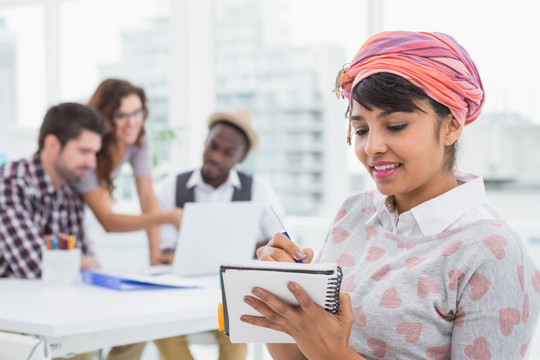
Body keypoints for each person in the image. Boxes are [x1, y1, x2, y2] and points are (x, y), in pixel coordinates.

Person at [244, 31, 540, 359]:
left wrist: (334, 354)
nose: (372, 147)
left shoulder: (493, 254)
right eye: (361, 130)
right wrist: (284, 290)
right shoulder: (353, 213)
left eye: (396, 126)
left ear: (452, 126)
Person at [153, 108, 286, 360]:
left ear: (242, 156)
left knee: (236, 333)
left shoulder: (257, 188)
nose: (215, 156)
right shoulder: (173, 187)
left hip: (230, 297)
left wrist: (254, 248)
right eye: (212, 146)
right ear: (205, 141)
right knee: (161, 330)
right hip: (182, 295)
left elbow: (280, 239)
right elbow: (164, 250)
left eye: (227, 153)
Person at [0, 102, 108, 360]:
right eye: (84, 151)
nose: (92, 163)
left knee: (112, 338)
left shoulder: (71, 194)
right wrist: (72, 260)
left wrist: (66, 257)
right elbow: (34, 264)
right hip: (11, 313)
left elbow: (90, 264)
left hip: (52, 308)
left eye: (95, 153)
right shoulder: (10, 182)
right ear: (52, 145)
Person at [78, 78, 183, 265]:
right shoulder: (89, 151)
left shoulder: (137, 139)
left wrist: (154, 256)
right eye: (121, 116)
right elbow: (108, 221)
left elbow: (147, 197)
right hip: (67, 215)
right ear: (104, 117)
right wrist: (167, 218)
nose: (132, 122)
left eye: (137, 112)